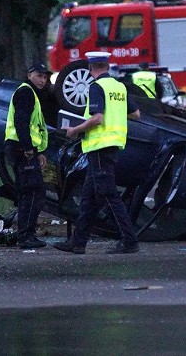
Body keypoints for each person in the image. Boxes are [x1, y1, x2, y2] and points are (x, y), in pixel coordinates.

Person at [54, 51, 141, 255]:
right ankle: (78, 242)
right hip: (111, 146)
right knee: (88, 198)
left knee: (108, 195)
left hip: (100, 147)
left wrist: (75, 130)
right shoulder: (119, 87)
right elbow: (136, 114)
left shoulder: (96, 87)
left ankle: (129, 240)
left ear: (91, 69)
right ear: (108, 67)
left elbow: (98, 119)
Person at [4, 62, 51, 249]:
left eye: (45, 77)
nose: (43, 80)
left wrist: (37, 151)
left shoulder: (31, 93)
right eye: (39, 76)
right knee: (34, 192)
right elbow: (21, 121)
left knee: (30, 192)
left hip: (23, 149)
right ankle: (25, 236)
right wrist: (28, 148)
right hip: (21, 149)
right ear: (29, 75)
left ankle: (25, 234)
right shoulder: (25, 92)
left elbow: (32, 126)